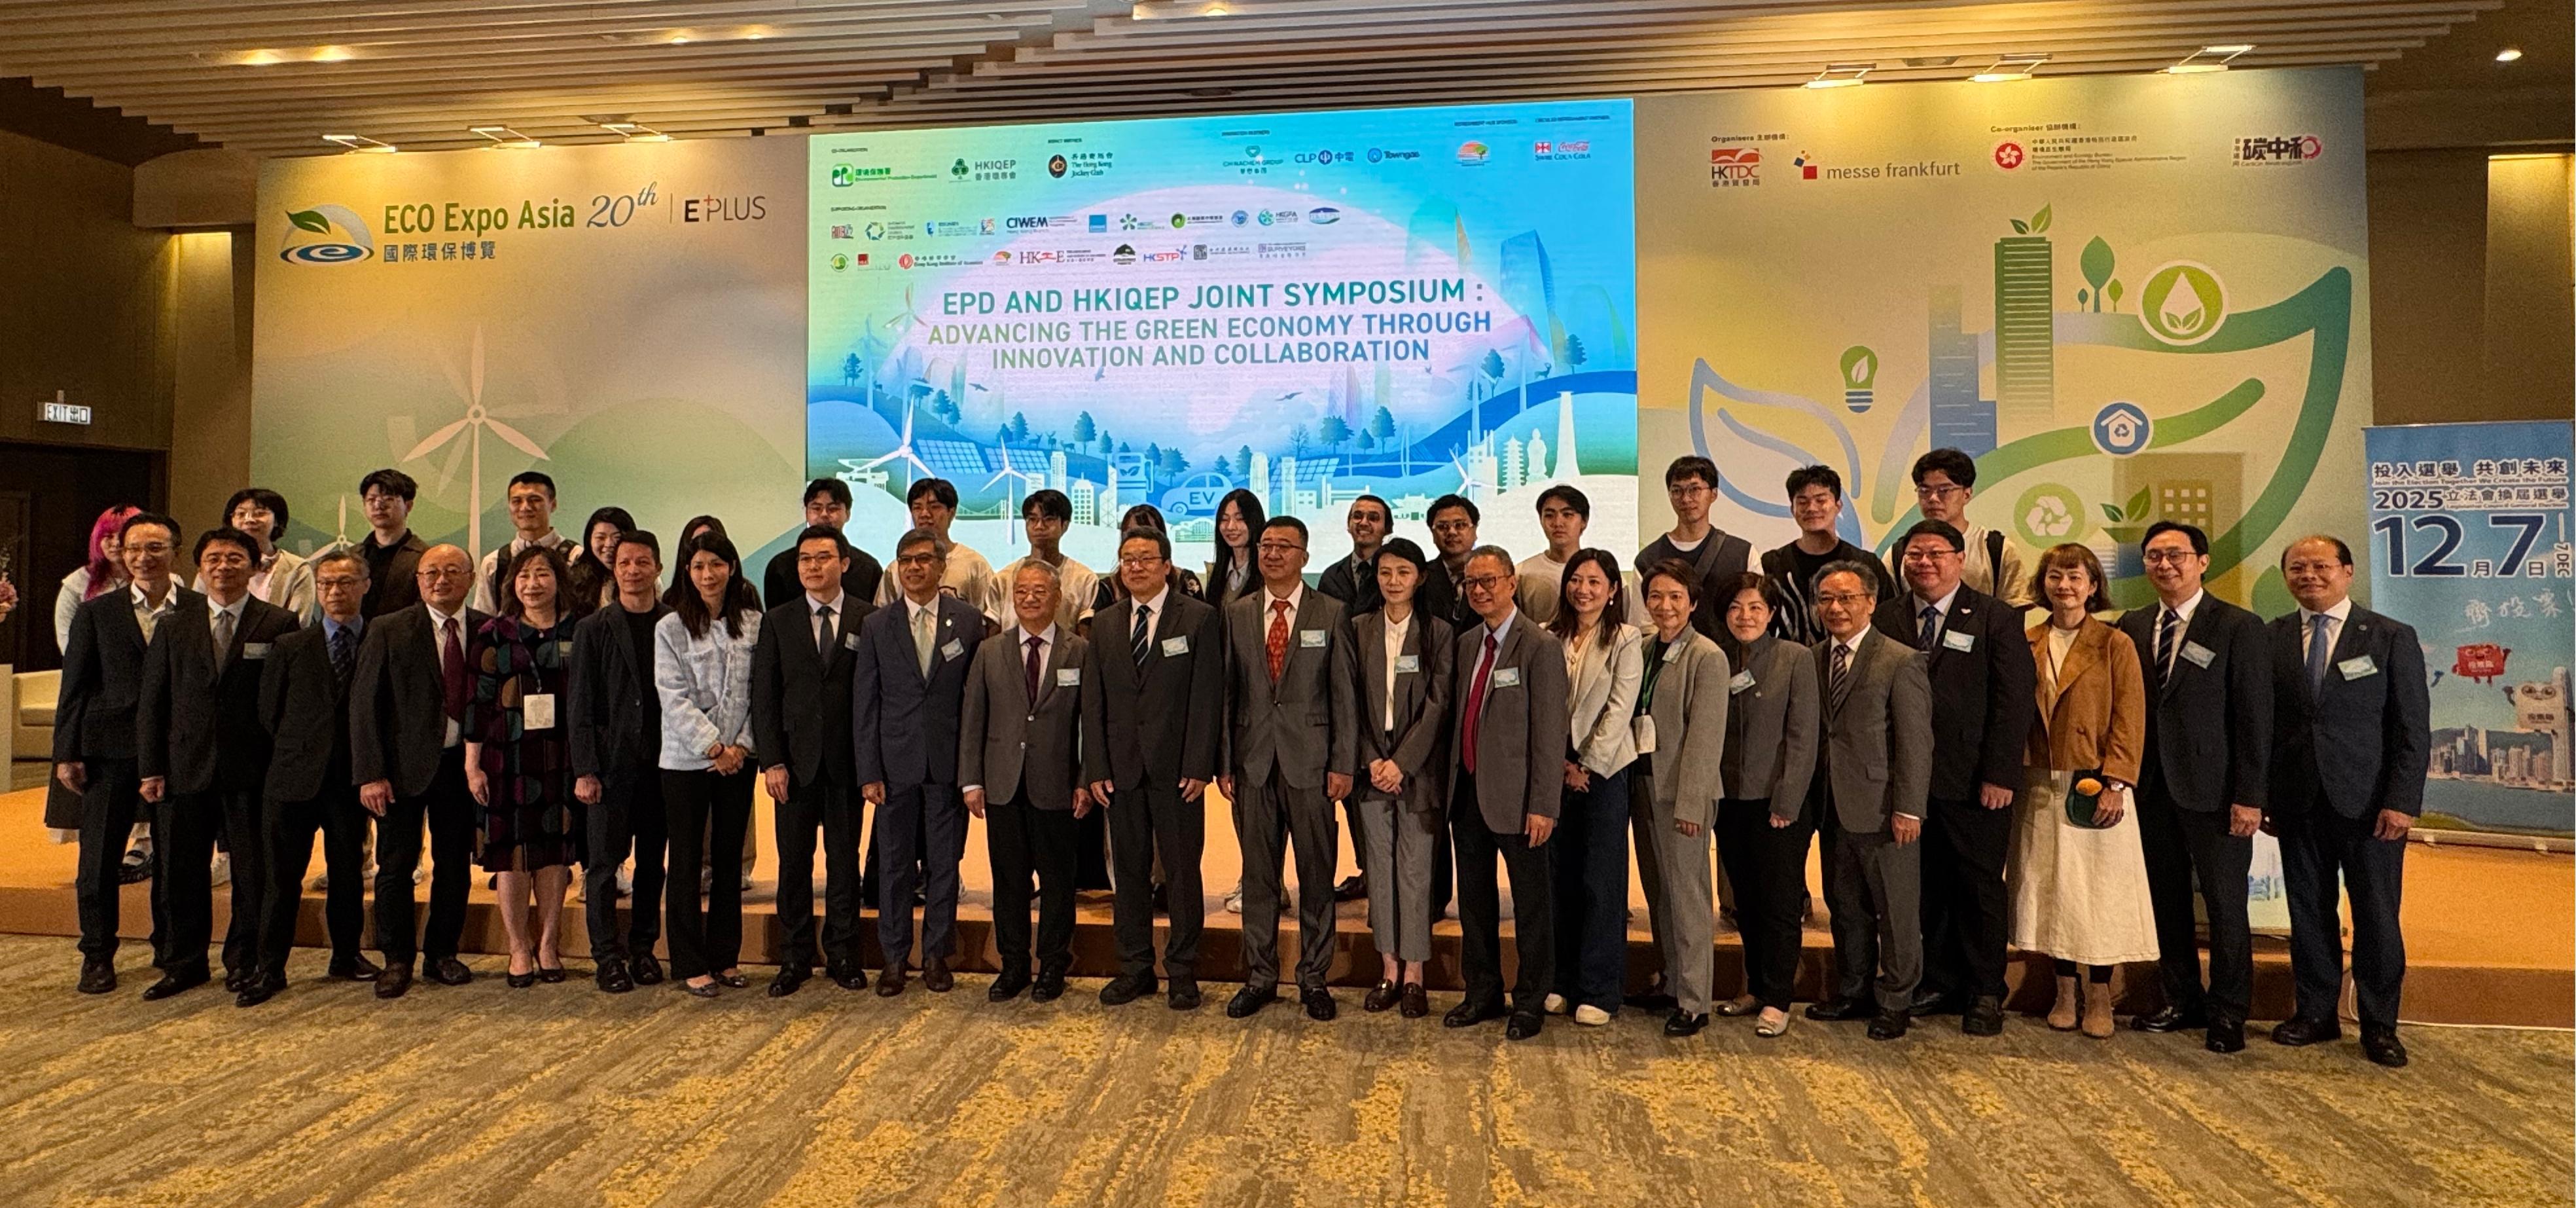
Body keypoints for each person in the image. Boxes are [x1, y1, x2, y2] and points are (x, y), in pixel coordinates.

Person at [2266, 535, 2429, 1068]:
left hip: (2370, 806)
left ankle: (2380, 1024)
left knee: (2377, 915)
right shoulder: (2272, 637)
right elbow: (2262, 726)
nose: (2309, 575)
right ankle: (2315, 1013)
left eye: (2321, 566)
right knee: (2308, 911)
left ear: (2347, 571)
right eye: (2297, 567)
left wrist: (2401, 801)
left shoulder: (2389, 636)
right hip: (2297, 800)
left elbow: (2412, 729)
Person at [2117, 520, 2271, 1054]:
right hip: (2150, 789)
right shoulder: (2133, 625)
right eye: (2155, 556)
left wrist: (2251, 796)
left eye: (2177, 555)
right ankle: (2181, 999)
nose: (2166, 565)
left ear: (2202, 561)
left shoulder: (2237, 625)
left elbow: (2255, 719)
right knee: (2167, 901)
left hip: (2217, 791)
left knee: (2227, 907)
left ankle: (2229, 1012)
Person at [1876, 519, 2035, 1036]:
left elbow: (2013, 704)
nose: (1924, 563)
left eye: (1936, 553)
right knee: (1927, 889)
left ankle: (1987, 989)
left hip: (1973, 782)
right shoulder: (1886, 617)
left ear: (1959, 559)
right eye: (1914, 555)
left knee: (1979, 887)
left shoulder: (1995, 617)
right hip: (1906, 783)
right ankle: (1940, 980)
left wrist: (1999, 773)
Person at [137, 524, 301, 1000]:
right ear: (199, 567)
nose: (223, 567)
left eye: (234, 558)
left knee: (253, 873)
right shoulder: (173, 625)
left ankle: (244, 960)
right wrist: (151, 767)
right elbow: (154, 701)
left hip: (252, 771)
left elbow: (286, 703)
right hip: (184, 768)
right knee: (180, 871)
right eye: (213, 559)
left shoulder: (278, 623)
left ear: (254, 567)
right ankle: (185, 961)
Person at [2011, 543, 2155, 1040]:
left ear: (2093, 586)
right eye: (2055, 576)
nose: (2064, 586)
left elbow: (2129, 718)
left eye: (2076, 577)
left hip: (2094, 785)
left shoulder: (2115, 644)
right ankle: (2063, 990)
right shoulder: (2026, 639)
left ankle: (2100, 994)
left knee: (2098, 894)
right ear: (2042, 584)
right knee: (2054, 892)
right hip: (2039, 784)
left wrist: (2117, 782)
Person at [1217, 515, 1357, 1021]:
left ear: (1305, 554)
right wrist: (1226, 761)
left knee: (1316, 875)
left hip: (1314, 765)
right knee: (1259, 878)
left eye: (1284, 546)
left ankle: (1315, 977)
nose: (1273, 554)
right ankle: (1260, 976)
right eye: (1266, 546)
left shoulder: (1332, 612)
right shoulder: (1236, 613)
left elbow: (1344, 694)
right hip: (1253, 764)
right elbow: (1229, 695)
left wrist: (1344, 762)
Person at [1081, 524, 1224, 1010]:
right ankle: (1135, 967)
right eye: (1127, 559)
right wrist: (1096, 765)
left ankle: (1183, 971)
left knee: (1183, 874)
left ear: (1168, 565)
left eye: (1146, 558)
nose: (1136, 566)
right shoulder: (1104, 623)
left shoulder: (1200, 619)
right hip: (1120, 772)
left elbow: (1207, 699)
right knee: (1130, 873)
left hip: (1178, 772)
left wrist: (1200, 764)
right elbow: (1093, 701)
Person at [1442, 545, 1571, 1042]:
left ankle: (1531, 999)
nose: (1479, 590)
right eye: (1472, 583)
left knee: (1532, 905)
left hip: (1521, 803)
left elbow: (1550, 732)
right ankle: (1482, 992)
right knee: (1473, 901)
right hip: (1469, 794)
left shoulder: (1538, 646)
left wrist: (1544, 803)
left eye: (1489, 581)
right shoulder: (1466, 642)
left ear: (1511, 583)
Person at [1801, 560, 1932, 1040]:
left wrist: (1909, 807)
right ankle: (1853, 989)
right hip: (1830, 805)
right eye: (1826, 599)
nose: (1836, 608)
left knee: (1895, 910)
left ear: (1872, 603)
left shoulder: (1901, 659)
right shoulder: (1812, 656)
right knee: (1845, 904)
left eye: (1847, 598)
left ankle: (1897, 998)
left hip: (1884, 809)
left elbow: (1916, 742)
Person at [247, 548, 381, 1005]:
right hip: (293, 778)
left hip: (351, 780)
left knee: (347, 873)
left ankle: (346, 955)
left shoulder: (379, 641)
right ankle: (270, 967)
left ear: (366, 585)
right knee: (281, 878)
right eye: (326, 584)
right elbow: (269, 712)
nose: (335, 592)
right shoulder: (291, 645)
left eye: (346, 582)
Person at [54, 511, 181, 995]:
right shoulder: (96, 613)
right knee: (99, 859)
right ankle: (97, 953)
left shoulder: (192, 608)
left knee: (173, 857)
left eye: (155, 548)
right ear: (121, 555)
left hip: (175, 752)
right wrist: (68, 751)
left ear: (174, 552)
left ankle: (170, 948)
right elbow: (76, 686)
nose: (143, 558)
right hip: (109, 749)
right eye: (133, 550)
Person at [351, 543, 485, 998]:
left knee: (454, 865)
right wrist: (370, 772)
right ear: (419, 580)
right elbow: (365, 704)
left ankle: (442, 953)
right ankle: (397, 958)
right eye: (431, 573)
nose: (441, 580)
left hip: (462, 768)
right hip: (400, 770)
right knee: (395, 866)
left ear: (469, 576)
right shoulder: (389, 628)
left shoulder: (487, 628)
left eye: (452, 571)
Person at [855, 527, 985, 996]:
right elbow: (865, 702)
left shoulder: (969, 622)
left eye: (924, 559)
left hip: (949, 765)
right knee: (892, 867)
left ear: (941, 565)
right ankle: (894, 958)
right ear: (897, 567)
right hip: (894, 766)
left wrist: (973, 771)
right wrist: (868, 770)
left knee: (945, 865)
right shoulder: (876, 624)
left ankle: (936, 955)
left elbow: (976, 702)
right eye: (905, 560)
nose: (914, 568)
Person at [961, 561, 1092, 1002]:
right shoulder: (990, 651)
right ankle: (1013, 963)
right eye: (1022, 592)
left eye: (1040, 591)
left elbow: (1089, 723)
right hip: (1002, 784)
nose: (1030, 598)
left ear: (1058, 598)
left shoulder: (1079, 651)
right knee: (1010, 881)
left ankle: (1054, 964)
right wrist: (970, 780)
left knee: (1057, 883)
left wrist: (1086, 778)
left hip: (1057, 783)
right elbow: (973, 720)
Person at [751, 524, 872, 995]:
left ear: (844, 563)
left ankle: (843, 954)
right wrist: (772, 761)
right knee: (793, 865)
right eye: (805, 558)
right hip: (794, 767)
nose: (813, 566)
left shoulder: (868, 618)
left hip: (848, 765)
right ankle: (795, 956)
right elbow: (765, 697)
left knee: (845, 864)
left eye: (823, 557)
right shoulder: (777, 620)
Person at [1706, 574, 1820, 1038]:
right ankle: (1753, 986)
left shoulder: (1795, 659)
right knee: (1745, 903)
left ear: (1772, 613)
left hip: (1778, 804)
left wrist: (1788, 799)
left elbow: (1803, 735)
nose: (1745, 616)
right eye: (1735, 607)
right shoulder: (1717, 657)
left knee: (1778, 902)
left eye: (1755, 607)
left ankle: (1778, 997)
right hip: (1730, 800)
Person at [465, 544, 582, 988]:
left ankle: (549, 942)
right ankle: (518, 947)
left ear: (559, 580)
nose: (533, 584)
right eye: (524, 576)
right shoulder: (495, 633)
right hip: (505, 758)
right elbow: (477, 701)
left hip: (562, 758)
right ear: (512, 584)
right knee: (511, 857)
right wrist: (472, 765)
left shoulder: (579, 630)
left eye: (542, 574)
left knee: (554, 853)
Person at [1344, 538, 1450, 1017]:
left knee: (1414, 871)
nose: (1393, 582)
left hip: (1416, 772)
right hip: (1371, 771)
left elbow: (1437, 705)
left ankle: (1415, 974)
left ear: (1419, 577)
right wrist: (1371, 760)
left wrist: (1401, 763)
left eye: (1403, 573)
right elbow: (1348, 701)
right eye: (1385, 572)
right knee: (1380, 874)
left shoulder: (1439, 632)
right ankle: (1388, 967)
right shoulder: (1358, 628)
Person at [1626, 559, 1732, 1036]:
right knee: (1660, 892)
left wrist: (1692, 805)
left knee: (1689, 896)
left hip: (1682, 793)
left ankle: (1695, 998)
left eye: (1675, 597)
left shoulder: (1707, 656)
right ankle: (1670, 980)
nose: (1664, 606)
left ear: (1692, 602)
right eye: (1656, 597)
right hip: (1644, 784)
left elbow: (1706, 739)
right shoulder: (1644, 648)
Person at [656, 532, 762, 998]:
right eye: (698, 566)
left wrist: (739, 746)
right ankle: (689, 960)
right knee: (684, 859)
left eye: (716, 564)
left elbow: (761, 692)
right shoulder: (671, 627)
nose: (707, 574)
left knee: (727, 860)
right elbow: (672, 695)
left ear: (732, 567)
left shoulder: (755, 623)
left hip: (740, 760)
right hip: (685, 761)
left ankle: (724, 956)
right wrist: (714, 748)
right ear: (687, 572)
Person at [1541, 549, 1643, 1029]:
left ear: (1613, 590)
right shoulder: (1547, 634)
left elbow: (1621, 707)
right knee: (1558, 878)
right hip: (1554, 770)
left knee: (1600, 882)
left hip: (1604, 772)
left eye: (1595, 582)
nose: (1584, 589)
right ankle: (1561, 979)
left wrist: (1587, 765)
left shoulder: (1625, 638)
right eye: (1576, 580)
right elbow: (1542, 705)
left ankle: (1600, 987)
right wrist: (1559, 762)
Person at [570, 529, 671, 993]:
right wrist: (585, 769)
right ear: (614, 568)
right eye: (625, 562)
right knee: (604, 867)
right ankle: (607, 956)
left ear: (658, 568)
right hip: (610, 767)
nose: (633, 570)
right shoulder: (593, 627)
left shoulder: (674, 622)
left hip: (665, 764)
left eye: (643, 562)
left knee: (653, 863)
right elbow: (581, 704)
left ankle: (644, 948)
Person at [49, 505, 145, 868]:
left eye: (122, 535)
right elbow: (68, 645)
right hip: (97, 701)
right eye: (106, 535)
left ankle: (143, 845)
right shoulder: (78, 584)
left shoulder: (170, 585)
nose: (114, 543)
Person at [1759, 466, 1897, 645]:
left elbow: (1888, 618)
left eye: (1821, 500)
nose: (1812, 508)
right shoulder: (1772, 563)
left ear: (1838, 506)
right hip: (1793, 666)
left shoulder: (1865, 563)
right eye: (1802, 502)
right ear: (1793, 510)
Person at [1637, 456, 1754, 642]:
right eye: (1677, 491)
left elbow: (1756, 617)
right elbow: (1644, 627)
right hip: (1670, 666)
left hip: (1730, 664)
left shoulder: (1742, 553)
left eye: (1695, 490)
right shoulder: (1647, 559)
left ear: (1714, 494)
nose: (1686, 498)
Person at [1892, 449, 2024, 604]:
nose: (1933, 498)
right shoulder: (1899, 553)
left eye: (1944, 490)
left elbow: (2013, 617)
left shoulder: (1997, 549)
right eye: (1924, 490)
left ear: (1967, 494)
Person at [1516, 486, 1641, 627]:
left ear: (1584, 521)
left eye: (1567, 515)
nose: (1558, 523)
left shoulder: (1606, 574)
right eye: (1549, 515)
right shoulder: (1521, 573)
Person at [760, 478, 885, 610]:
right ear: (807, 513)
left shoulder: (869, 568)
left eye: (833, 508)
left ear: (847, 514)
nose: (824, 514)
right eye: (816, 508)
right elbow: (775, 622)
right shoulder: (780, 566)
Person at [875, 478, 993, 616]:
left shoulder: (975, 565)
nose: (925, 514)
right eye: (917, 507)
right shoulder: (897, 568)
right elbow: (881, 618)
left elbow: (987, 620)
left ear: (952, 512)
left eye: (934, 507)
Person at [989, 489, 1096, 632]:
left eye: (1048, 519)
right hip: (1011, 654)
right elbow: (993, 635)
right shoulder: (1003, 579)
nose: (1039, 526)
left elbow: (1085, 637)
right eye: (1032, 520)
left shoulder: (1084, 579)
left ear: (1065, 525)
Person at [470, 470, 565, 616]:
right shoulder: (494, 563)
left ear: (553, 504)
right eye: (517, 501)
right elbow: (484, 619)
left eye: (535, 499)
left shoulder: (576, 557)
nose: (525, 507)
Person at [215, 488, 317, 621]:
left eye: (259, 513)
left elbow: (299, 625)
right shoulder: (215, 565)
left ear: (277, 521)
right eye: (241, 514)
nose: (249, 520)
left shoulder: (297, 569)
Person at [355, 469, 430, 619]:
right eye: (371, 500)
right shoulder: (352, 556)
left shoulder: (425, 557)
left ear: (408, 506)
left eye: (388, 499)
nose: (378, 506)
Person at [1314, 494, 1391, 617]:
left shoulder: (1396, 575)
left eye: (1373, 518)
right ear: (1349, 525)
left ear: (1387, 528)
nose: (1364, 523)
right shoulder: (1331, 576)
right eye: (1357, 516)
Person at [1414, 494, 1481, 633]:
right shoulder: (1419, 579)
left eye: (1460, 525)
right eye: (1443, 526)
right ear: (1432, 534)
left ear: (1475, 530)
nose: (1451, 532)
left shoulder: (1495, 576)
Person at [562, 505, 637, 623]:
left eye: (617, 538)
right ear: (589, 540)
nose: (609, 544)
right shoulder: (575, 578)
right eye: (601, 537)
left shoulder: (643, 576)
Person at [1203, 489, 1264, 610]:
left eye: (1240, 519)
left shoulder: (1266, 572)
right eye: (1224, 520)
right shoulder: (1217, 573)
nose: (1230, 527)